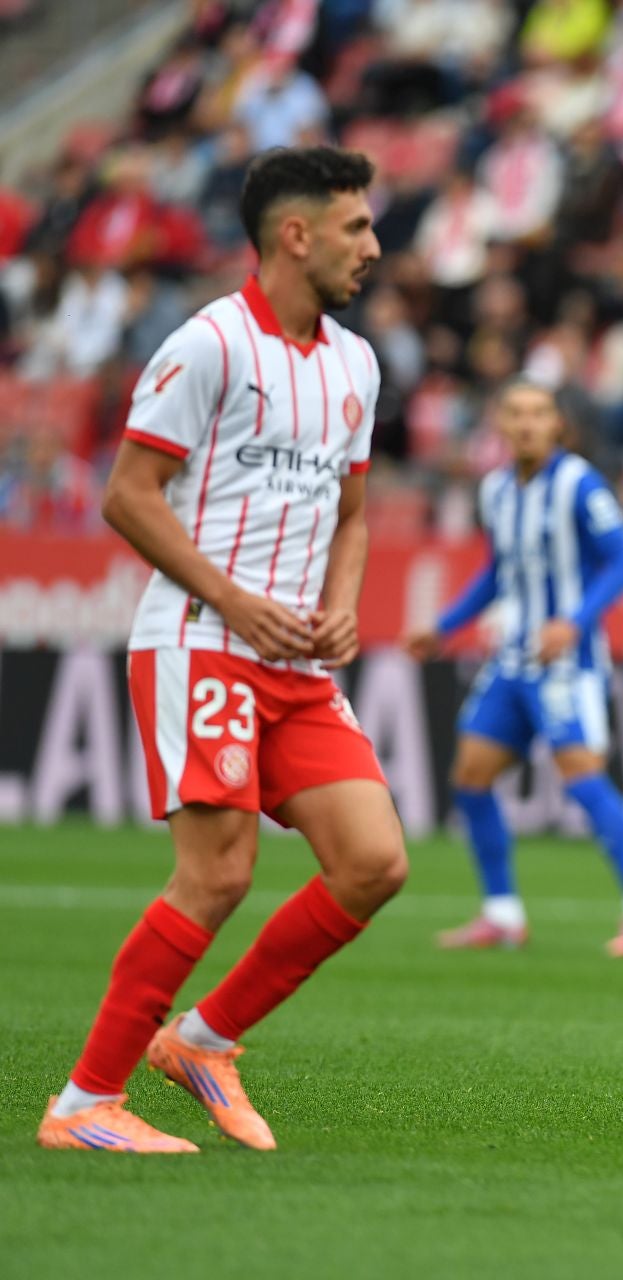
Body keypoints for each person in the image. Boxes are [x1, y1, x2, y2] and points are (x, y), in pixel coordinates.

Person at [38, 147, 406, 1154]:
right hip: (201, 641)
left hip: (295, 663)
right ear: (296, 234)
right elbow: (127, 495)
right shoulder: (207, 345)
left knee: (373, 861)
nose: (373, 246)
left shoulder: (357, 362)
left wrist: (341, 606)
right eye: (355, 227)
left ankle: (201, 1040)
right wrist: (234, 599)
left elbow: (353, 514)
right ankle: (83, 1104)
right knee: (217, 873)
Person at [405, 380, 623, 956]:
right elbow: (497, 572)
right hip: (514, 658)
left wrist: (573, 621)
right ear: (500, 425)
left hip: (568, 661)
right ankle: (502, 914)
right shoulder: (496, 489)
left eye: (539, 413)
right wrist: (445, 625)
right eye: (516, 413)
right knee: (471, 776)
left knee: (582, 775)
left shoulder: (579, 483)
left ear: (558, 425)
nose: (527, 424)